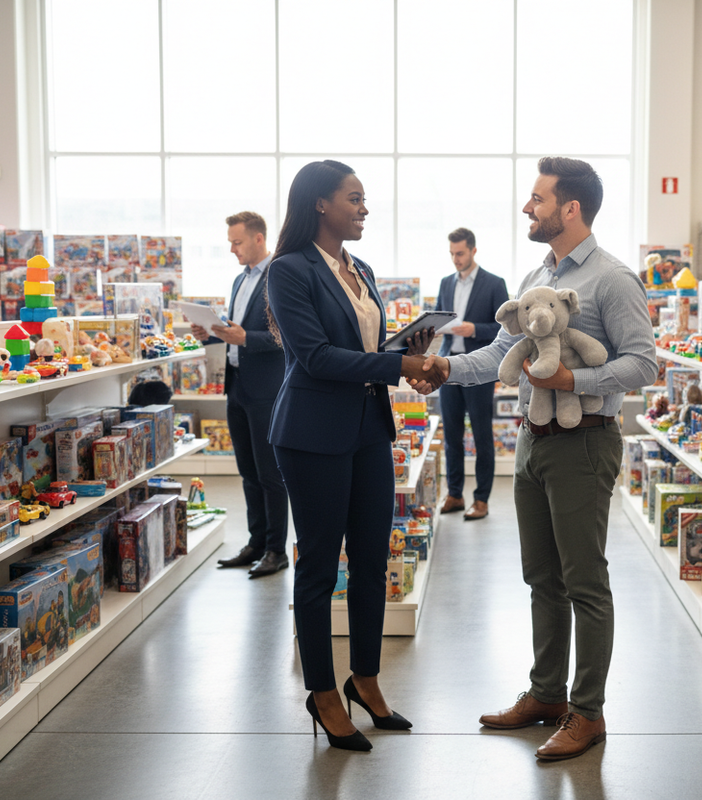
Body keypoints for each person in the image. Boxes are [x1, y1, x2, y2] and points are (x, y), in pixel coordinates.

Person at [412, 157, 656, 761]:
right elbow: (502, 348)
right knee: (541, 577)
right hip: (531, 441)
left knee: (584, 581)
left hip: (583, 441)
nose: (528, 207)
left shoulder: (613, 279)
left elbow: (644, 362)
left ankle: (588, 712)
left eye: (537, 198)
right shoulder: (534, 275)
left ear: (570, 208)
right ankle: (546, 694)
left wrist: (576, 379)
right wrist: (443, 368)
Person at [265, 160, 440, 752]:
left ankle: (364, 678)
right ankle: (321, 693)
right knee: (318, 568)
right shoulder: (288, 271)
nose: (364, 208)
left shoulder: (357, 268)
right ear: (320, 203)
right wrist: (399, 364)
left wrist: (407, 349)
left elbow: (361, 347)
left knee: (371, 558)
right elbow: (314, 357)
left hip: (369, 428)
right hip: (312, 432)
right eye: (354, 198)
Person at [191, 211, 291, 579]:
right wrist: (211, 333)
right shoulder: (238, 280)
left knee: (270, 474)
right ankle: (256, 542)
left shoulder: (279, 277)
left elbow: (285, 336)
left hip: (267, 389)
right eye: (230, 242)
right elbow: (236, 329)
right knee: (247, 471)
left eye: (237, 242)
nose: (232, 249)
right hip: (237, 386)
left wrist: (246, 338)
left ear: (259, 239)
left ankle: (277, 550)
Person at [434, 227, 509, 521]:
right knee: (451, 434)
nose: (456, 259)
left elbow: (506, 331)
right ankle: (454, 493)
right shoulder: (444, 283)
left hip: (479, 368)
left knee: (481, 436)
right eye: (452, 254)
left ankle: (481, 499)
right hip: (447, 366)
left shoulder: (494, 284)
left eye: (461, 253)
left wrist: (474, 329)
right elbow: (439, 319)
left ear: (473, 251)